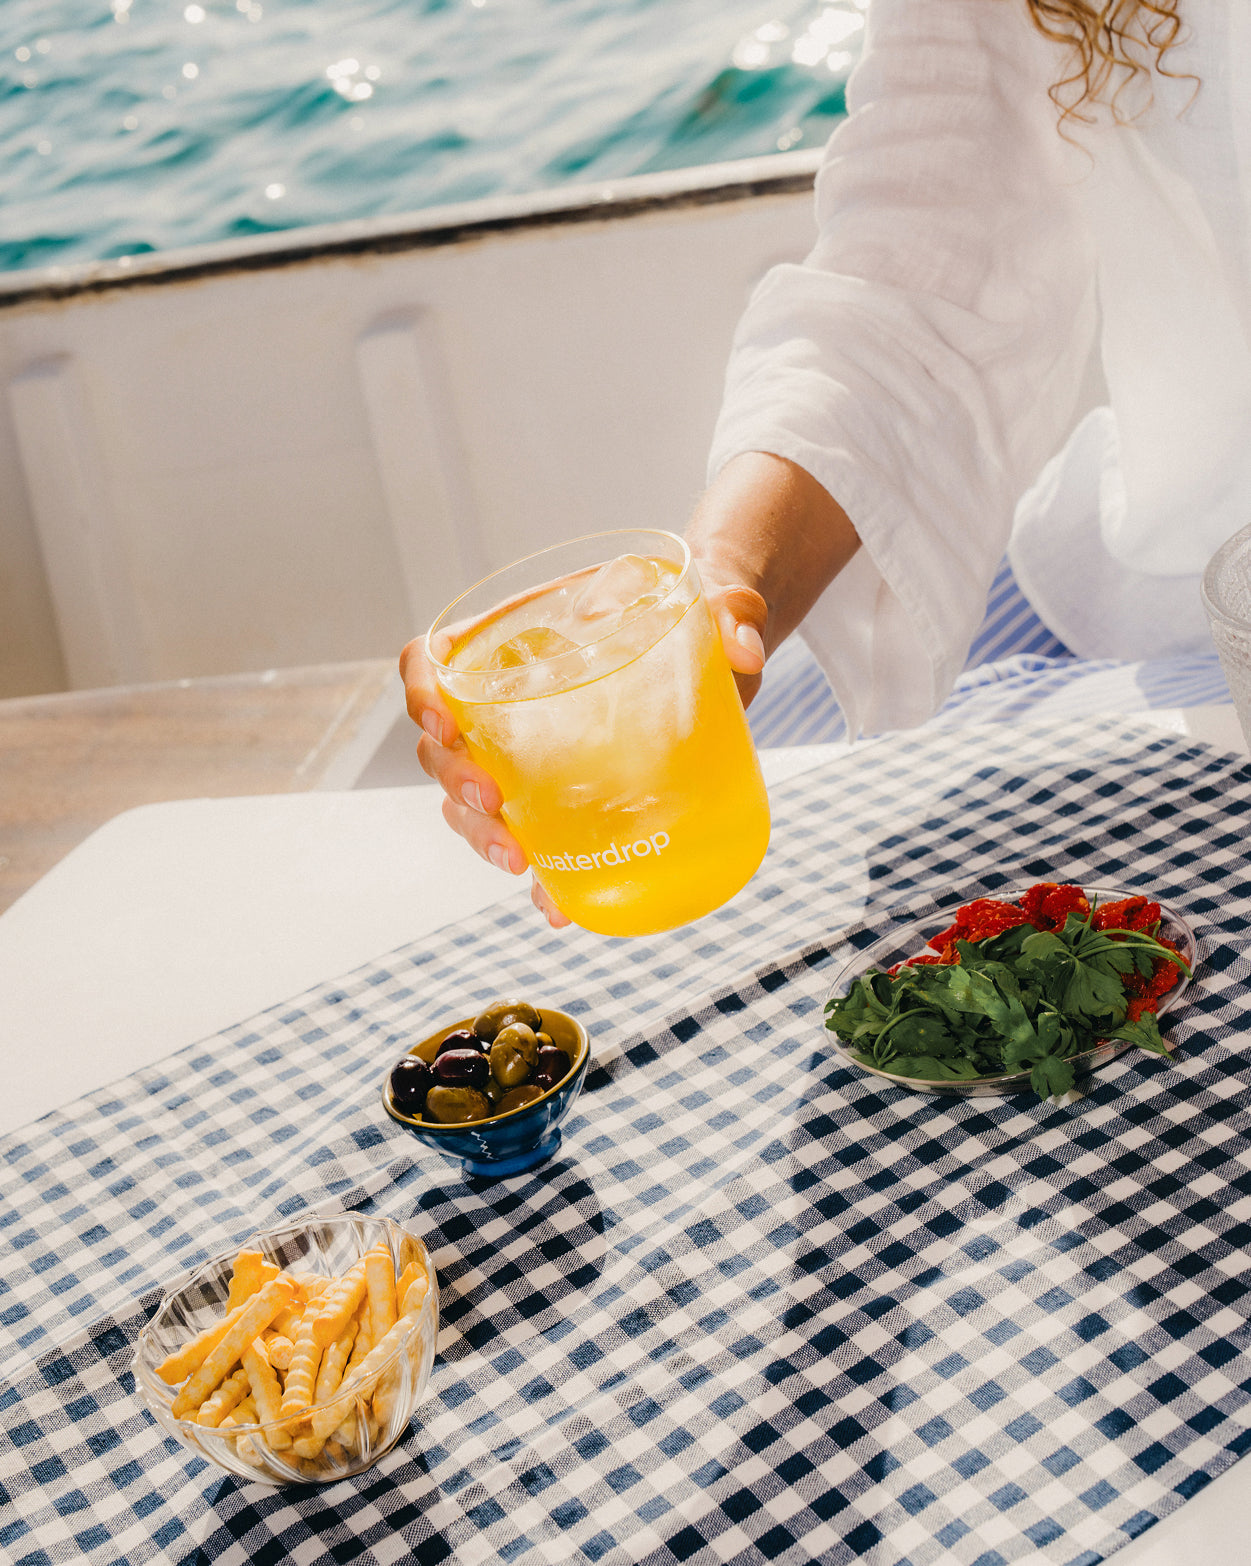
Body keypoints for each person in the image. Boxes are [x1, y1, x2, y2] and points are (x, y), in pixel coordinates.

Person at [403, 0, 1234, 925]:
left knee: (940, 881)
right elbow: (923, 260)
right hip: (1153, 547)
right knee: (815, 772)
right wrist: (716, 583)